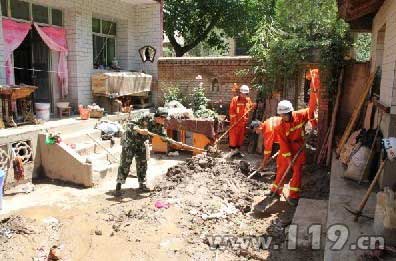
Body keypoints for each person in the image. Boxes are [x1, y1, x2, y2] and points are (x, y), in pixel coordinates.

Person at [272, 100, 317, 206]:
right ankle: (275, 190)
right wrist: (289, 159)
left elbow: (310, 112)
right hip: (286, 149)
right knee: (282, 169)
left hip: (298, 147)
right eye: (281, 115)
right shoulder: (279, 126)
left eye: (285, 115)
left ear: (290, 112)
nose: (283, 117)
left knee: (297, 171)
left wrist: (314, 122)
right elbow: (283, 145)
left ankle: (293, 196)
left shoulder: (300, 115)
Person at [115, 114, 165, 195]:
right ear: (158, 117)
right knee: (125, 163)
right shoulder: (145, 117)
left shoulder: (159, 126)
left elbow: (164, 136)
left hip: (141, 143)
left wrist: (170, 141)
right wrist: (139, 130)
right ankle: (118, 185)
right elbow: (130, 124)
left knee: (142, 163)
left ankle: (142, 184)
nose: (164, 121)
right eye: (163, 118)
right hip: (130, 142)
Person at [227, 85, 254, 158]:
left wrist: (253, 106)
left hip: (243, 124)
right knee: (233, 137)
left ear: (247, 94)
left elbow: (250, 107)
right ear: (240, 93)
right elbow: (231, 111)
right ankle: (232, 151)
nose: (243, 95)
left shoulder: (248, 100)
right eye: (242, 93)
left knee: (240, 137)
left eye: (245, 94)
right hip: (235, 123)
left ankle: (237, 151)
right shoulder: (235, 99)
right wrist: (235, 120)